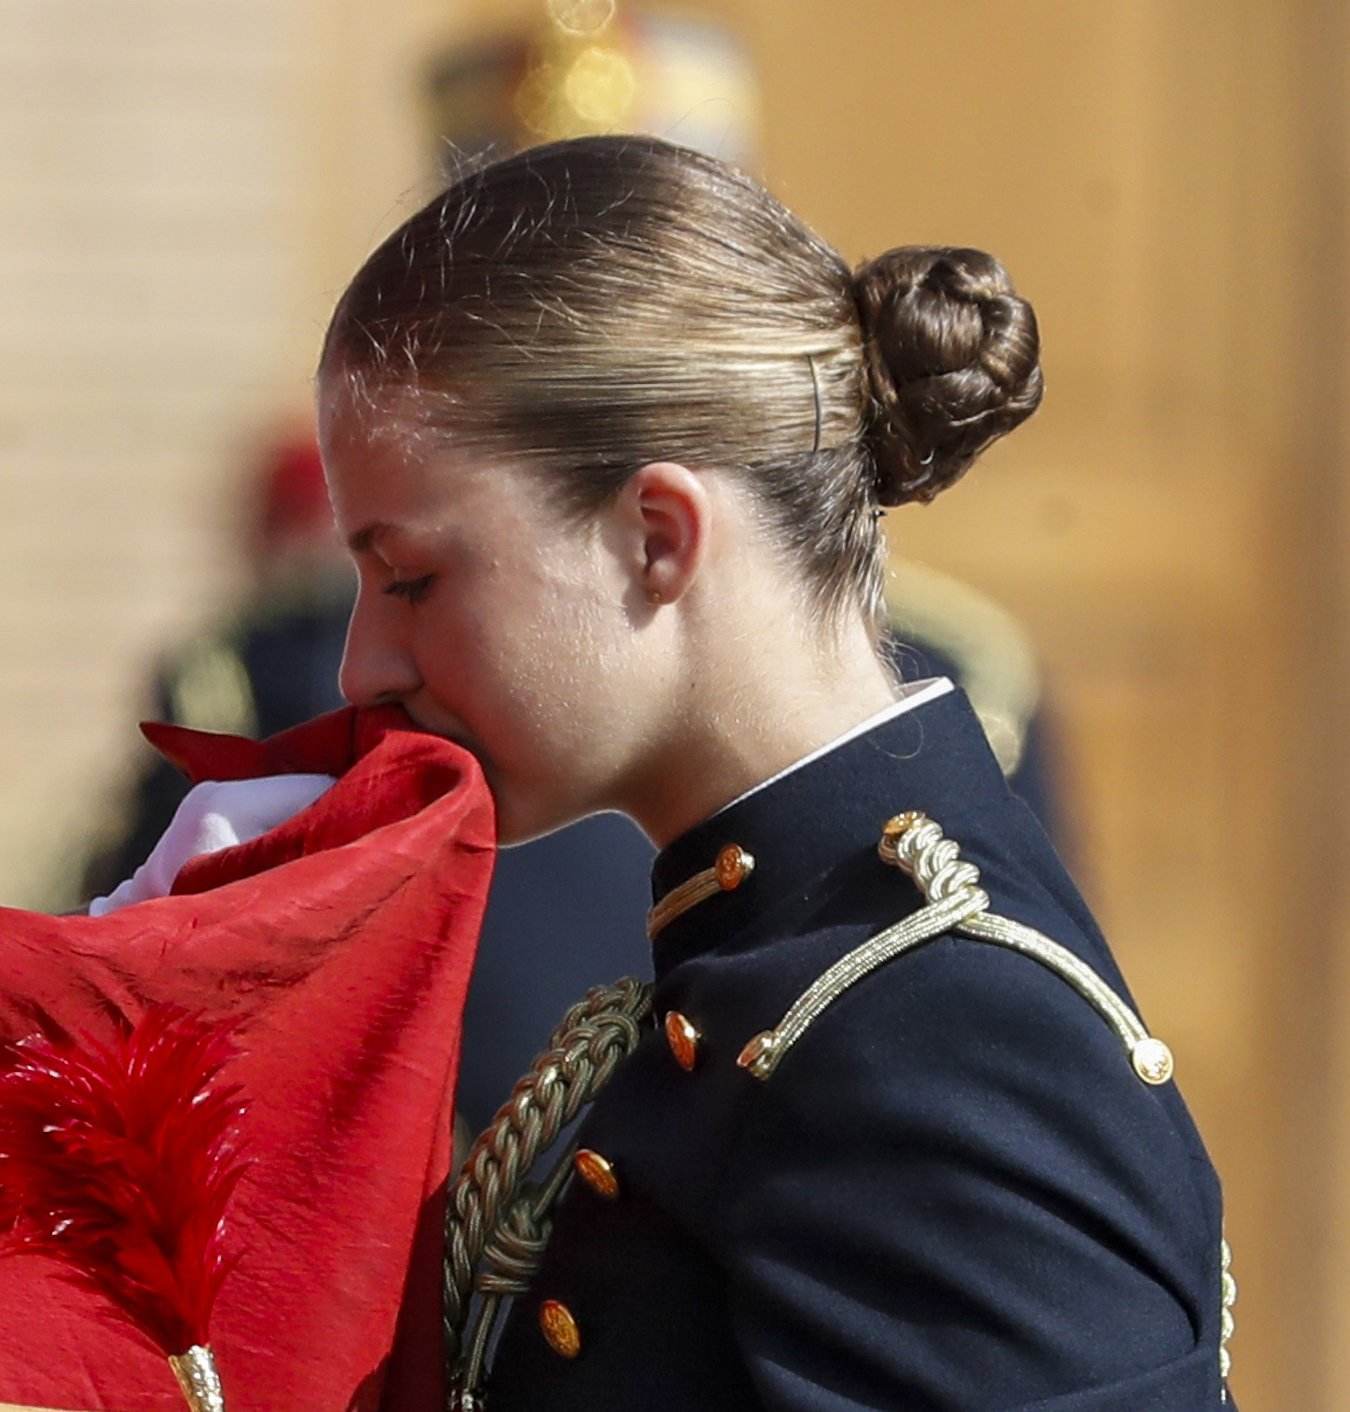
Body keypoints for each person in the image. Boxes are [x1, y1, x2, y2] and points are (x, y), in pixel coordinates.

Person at [308, 133, 1236, 1409]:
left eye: (411, 576)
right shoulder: (778, 963)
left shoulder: (943, 1035)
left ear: (657, 537)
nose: (364, 664)